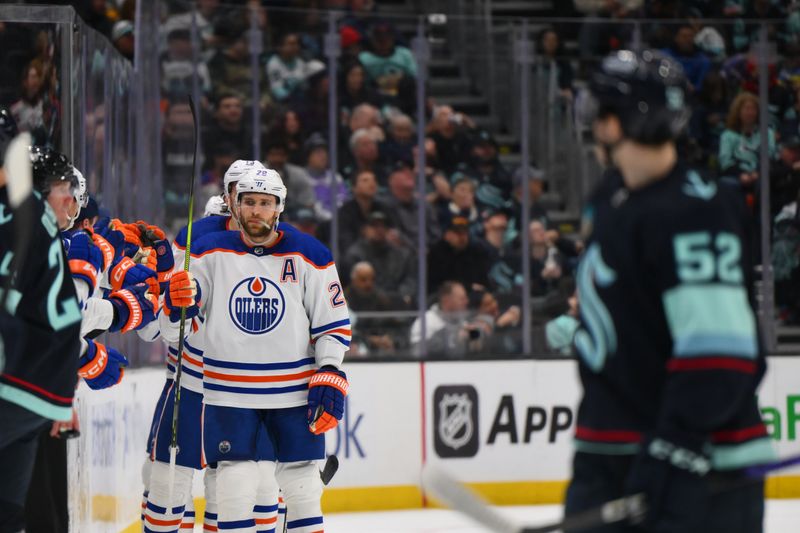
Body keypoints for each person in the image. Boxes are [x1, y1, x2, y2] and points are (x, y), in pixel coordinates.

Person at [565, 49, 775, 532]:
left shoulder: (696, 208)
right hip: (611, 449)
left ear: (617, 123)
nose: (595, 124)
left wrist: (675, 449)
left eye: (601, 112)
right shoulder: (610, 198)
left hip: (700, 465)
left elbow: (720, 356)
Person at [159, 169, 350, 533]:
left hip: (293, 392)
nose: (256, 211)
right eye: (249, 202)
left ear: (279, 207)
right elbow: (179, 331)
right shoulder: (206, 252)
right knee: (234, 484)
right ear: (235, 205)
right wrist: (175, 307)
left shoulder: (310, 253)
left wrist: (330, 368)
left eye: (265, 203)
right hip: (229, 392)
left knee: (303, 486)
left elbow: (333, 323)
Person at [0, 143, 82, 531]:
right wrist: (62, 391)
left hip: (16, 382)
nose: (70, 198)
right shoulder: (42, 225)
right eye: (61, 187)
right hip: (43, 391)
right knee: (13, 511)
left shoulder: (20, 216)